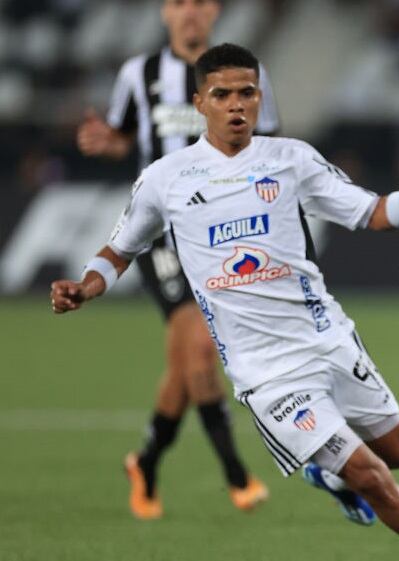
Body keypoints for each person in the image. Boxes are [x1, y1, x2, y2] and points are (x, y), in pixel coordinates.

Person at [52, 43, 399, 561]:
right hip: (267, 375)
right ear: (200, 103)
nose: (237, 104)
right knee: (369, 477)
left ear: (260, 97)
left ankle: (323, 473)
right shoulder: (165, 179)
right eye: (223, 95)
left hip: (328, 339)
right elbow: (119, 249)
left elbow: (373, 212)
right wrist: (85, 284)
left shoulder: (292, 159)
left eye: (247, 92)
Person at [75, 0, 279, 519]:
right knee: (201, 351)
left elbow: (269, 141)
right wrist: (109, 142)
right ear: (166, 13)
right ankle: (236, 475)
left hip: (224, 235)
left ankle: (144, 461)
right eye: (180, 4)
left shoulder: (245, 73)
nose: (190, 13)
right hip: (162, 231)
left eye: (201, 4)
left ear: (215, 13)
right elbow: (127, 135)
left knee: (185, 365)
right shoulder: (138, 73)